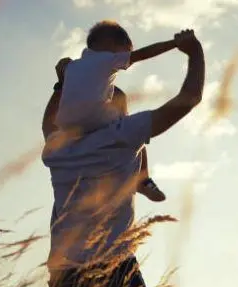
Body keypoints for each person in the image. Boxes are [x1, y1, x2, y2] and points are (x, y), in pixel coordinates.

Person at [39, 24, 206, 287]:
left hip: (65, 274)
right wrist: (194, 53)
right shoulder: (122, 136)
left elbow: (50, 120)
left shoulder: (55, 148)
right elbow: (189, 98)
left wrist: (61, 83)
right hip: (114, 269)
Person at [53, 20, 170, 202]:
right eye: (125, 51)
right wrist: (175, 43)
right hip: (93, 118)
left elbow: (64, 73)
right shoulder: (107, 59)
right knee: (134, 129)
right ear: (112, 44)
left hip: (65, 126)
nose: (126, 57)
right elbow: (144, 54)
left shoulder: (72, 66)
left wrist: (61, 76)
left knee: (119, 95)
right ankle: (143, 179)